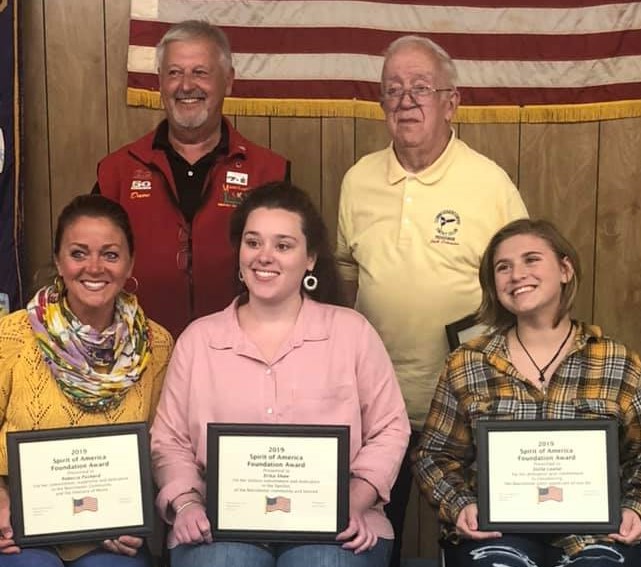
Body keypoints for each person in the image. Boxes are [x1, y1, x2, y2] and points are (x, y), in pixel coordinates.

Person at [335, 34, 528, 564]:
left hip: (465, 401)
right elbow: (346, 276)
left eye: (421, 87)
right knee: (372, 537)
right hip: (376, 402)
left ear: (451, 102)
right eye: (393, 89)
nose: (406, 100)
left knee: (474, 540)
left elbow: (520, 287)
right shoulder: (358, 180)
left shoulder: (489, 183)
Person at [150, 181, 410, 567]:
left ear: (310, 259)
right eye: (253, 243)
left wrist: (355, 500)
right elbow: (169, 440)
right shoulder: (198, 340)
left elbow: (390, 427)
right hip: (217, 524)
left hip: (338, 524)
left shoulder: (352, 332)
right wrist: (186, 503)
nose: (264, 257)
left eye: (283, 246)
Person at [413, 218, 641, 566]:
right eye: (503, 267)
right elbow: (434, 454)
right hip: (496, 534)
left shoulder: (617, 361)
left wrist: (634, 507)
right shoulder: (468, 362)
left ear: (565, 269)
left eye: (531, 259)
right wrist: (461, 505)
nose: (516, 274)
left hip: (596, 535)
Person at [0, 195, 173, 566]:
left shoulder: (157, 344)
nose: (94, 268)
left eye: (110, 255)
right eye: (79, 253)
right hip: (19, 525)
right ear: (59, 262)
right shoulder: (11, 335)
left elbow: (163, 446)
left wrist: (129, 513)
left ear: (130, 264)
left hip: (112, 534)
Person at [94, 20, 289, 339]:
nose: (186, 85)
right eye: (173, 73)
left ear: (228, 82)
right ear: (159, 83)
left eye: (200, 72)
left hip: (242, 358)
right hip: (137, 359)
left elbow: (292, 273)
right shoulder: (116, 172)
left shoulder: (270, 173)